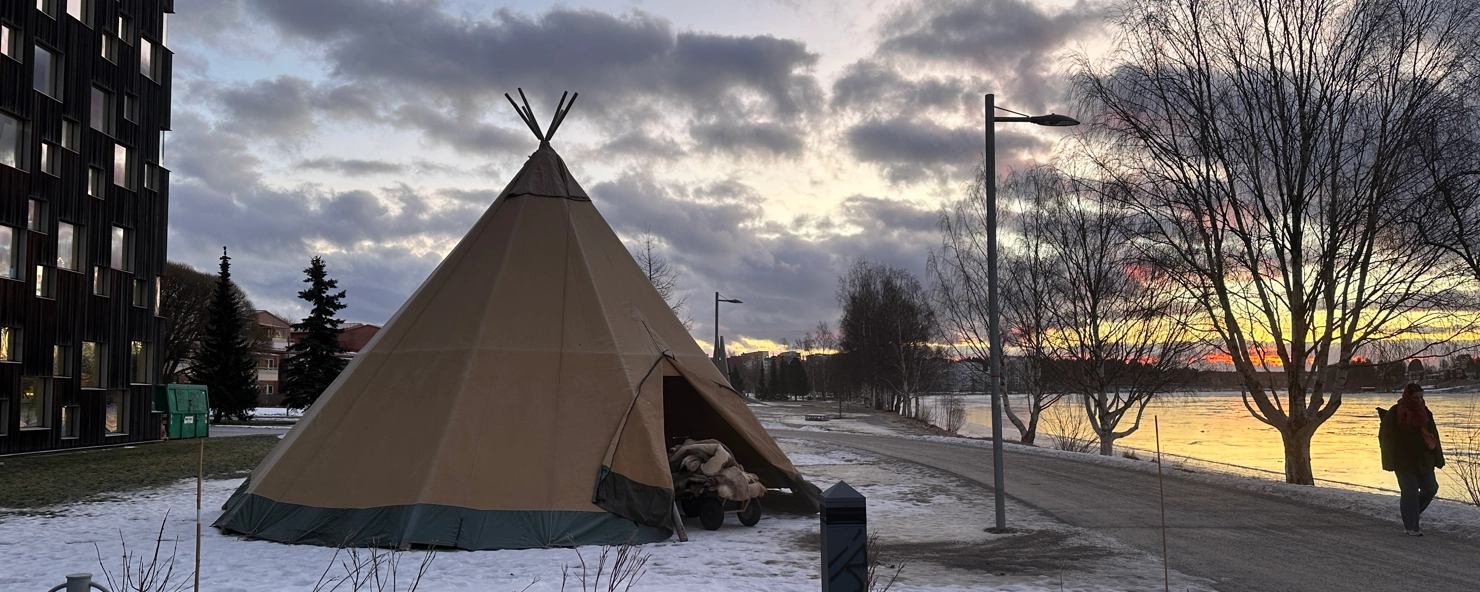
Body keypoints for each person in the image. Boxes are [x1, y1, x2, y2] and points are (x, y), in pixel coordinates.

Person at [1378, 383, 1445, 536]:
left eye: (1421, 397)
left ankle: (1411, 513)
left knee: (1431, 488)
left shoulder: (1426, 413)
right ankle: (1411, 527)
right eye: (1416, 398)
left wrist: (1438, 458)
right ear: (1408, 397)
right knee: (1410, 492)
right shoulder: (1395, 413)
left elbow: (1434, 436)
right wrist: (1388, 461)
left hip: (1424, 460)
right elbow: (1385, 438)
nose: (1419, 400)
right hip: (1403, 461)